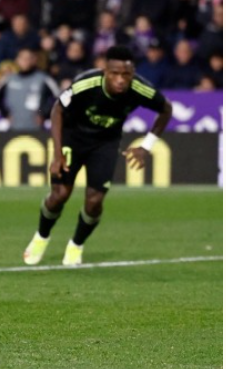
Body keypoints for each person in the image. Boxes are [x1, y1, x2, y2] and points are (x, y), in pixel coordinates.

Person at [23, 46, 172, 267]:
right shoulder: (86, 83)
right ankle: (41, 236)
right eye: (115, 73)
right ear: (105, 71)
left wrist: (146, 146)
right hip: (72, 138)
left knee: (94, 202)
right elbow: (57, 109)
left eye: (126, 75)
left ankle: (76, 245)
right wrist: (56, 154)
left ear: (133, 74)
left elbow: (165, 109)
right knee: (60, 194)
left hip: (105, 144)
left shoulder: (141, 89)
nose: (120, 80)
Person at [0, 48, 59, 131]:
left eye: (28, 58)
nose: (25, 61)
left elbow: (58, 97)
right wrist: (5, 114)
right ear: (17, 60)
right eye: (22, 58)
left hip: (36, 129)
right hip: (14, 128)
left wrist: (43, 114)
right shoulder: (9, 79)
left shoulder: (43, 78)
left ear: (34, 60)